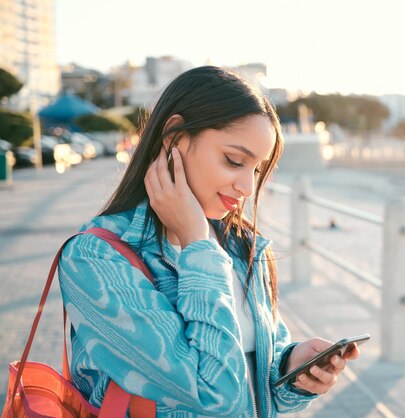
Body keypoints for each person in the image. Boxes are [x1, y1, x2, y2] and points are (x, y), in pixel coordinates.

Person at [58, 66, 360, 417]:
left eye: (257, 170)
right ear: (173, 137)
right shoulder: (97, 257)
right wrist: (197, 242)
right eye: (234, 161)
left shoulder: (241, 244)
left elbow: (255, 390)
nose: (247, 187)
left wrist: (290, 368)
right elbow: (215, 395)